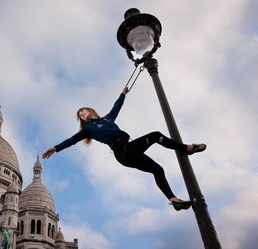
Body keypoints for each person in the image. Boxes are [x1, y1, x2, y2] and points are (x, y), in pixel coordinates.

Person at [42, 86, 206, 211]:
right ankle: (186, 148)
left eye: (83, 112)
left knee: (158, 169)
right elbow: (71, 140)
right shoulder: (87, 130)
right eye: (80, 116)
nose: (82, 115)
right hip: (122, 151)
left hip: (128, 151)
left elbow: (116, 107)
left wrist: (123, 94)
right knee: (155, 135)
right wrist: (55, 148)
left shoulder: (107, 119)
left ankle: (173, 200)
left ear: (90, 110)